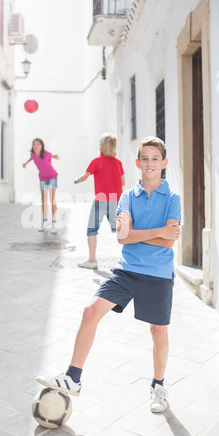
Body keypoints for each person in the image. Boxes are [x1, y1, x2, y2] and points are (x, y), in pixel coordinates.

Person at [37, 136, 181, 414]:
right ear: (137, 163)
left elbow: (168, 242)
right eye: (145, 159)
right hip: (127, 270)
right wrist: (157, 231)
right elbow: (122, 238)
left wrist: (139, 234)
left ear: (163, 163)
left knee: (158, 332)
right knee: (90, 310)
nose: (149, 164)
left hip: (159, 274)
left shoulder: (172, 198)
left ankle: (158, 387)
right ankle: (73, 377)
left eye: (155, 159)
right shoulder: (127, 196)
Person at [75, 133, 125, 269]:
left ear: (101, 146)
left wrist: (77, 180)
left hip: (101, 200)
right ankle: (131, 260)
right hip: (116, 200)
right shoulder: (118, 163)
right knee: (121, 230)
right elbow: (123, 182)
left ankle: (92, 261)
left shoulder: (96, 161)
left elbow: (85, 177)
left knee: (92, 229)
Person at [23, 138, 59, 234]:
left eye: (38, 144)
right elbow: (32, 158)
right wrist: (26, 163)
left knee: (52, 199)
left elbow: (52, 155)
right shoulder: (33, 155)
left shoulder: (46, 154)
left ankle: (54, 223)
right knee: (43, 199)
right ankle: (44, 221)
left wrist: (55, 156)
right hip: (42, 178)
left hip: (52, 176)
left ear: (42, 146)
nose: (36, 146)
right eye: (34, 144)